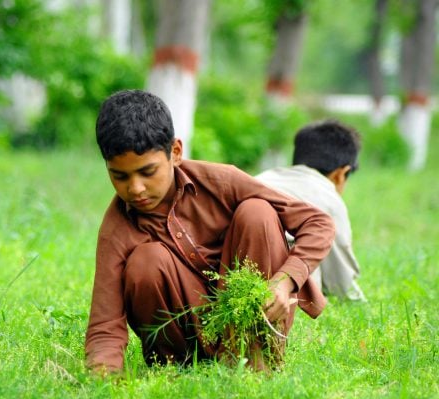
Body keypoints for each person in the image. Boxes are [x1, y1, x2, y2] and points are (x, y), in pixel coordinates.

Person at [85, 90, 335, 374]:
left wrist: (284, 281)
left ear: (176, 153)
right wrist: (103, 380)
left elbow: (318, 223)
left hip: (248, 327)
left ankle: (255, 364)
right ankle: (179, 371)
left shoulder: (222, 182)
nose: (136, 188)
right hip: (183, 350)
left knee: (258, 212)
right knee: (146, 259)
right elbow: (105, 326)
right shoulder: (116, 230)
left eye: (148, 172)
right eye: (120, 176)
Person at [256, 120, 366, 302]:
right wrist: (358, 301)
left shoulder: (262, 178)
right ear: (341, 173)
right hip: (282, 285)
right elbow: (341, 280)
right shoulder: (329, 199)